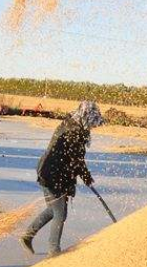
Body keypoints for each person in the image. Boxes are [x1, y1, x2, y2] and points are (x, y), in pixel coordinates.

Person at [20, 101, 104, 257]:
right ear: (87, 118)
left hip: (51, 171)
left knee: (53, 209)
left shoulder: (71, 123)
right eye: (93, 123)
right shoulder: (74, 131)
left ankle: (27, 235)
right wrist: (86, 176)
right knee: (60, 212)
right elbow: (76, 159)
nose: (93, 127)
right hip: (51, 174)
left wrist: (84, 175)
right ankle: (54, 251)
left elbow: (74, 159)